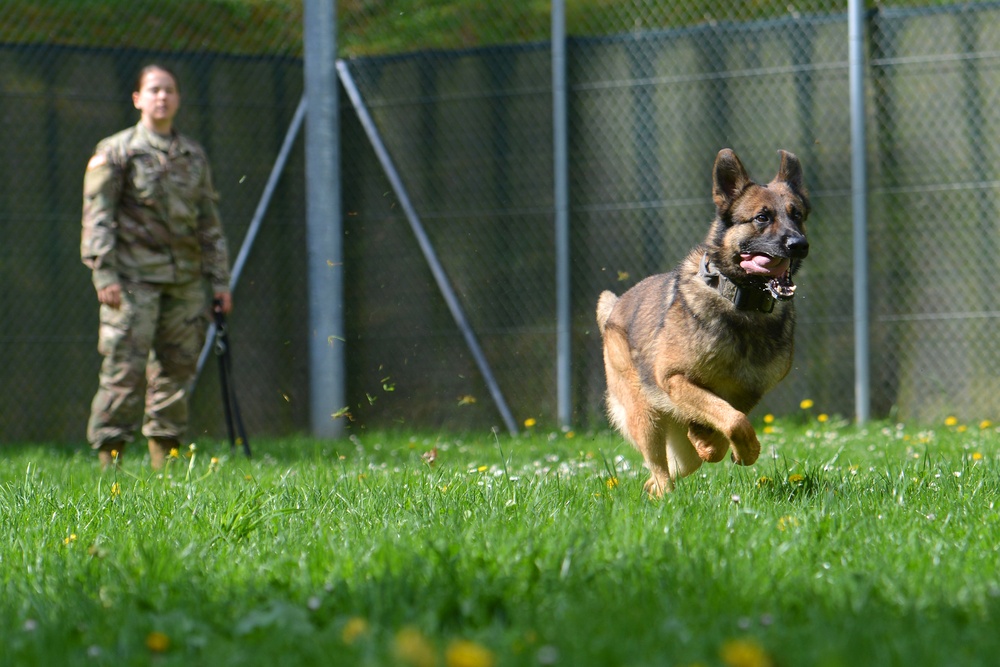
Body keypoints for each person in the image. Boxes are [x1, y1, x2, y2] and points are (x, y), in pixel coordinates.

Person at [80, 64, 233, 470]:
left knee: (175, 375)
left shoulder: (193, 155)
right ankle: (107, 468)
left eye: (168, 90)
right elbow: (98, 218)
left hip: (184, 285)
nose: (161, 97)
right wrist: (104, 274)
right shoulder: (116, 151)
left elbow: (208, 223)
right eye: (153, 90)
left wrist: (220, 282)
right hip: (131, 283)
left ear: (178, 98)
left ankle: (164, 466)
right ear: (137, 98)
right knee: (123, 373)